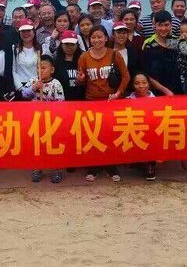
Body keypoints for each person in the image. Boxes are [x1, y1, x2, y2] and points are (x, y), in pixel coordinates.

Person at [76, 26, 130, 182]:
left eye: (100, 37)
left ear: (106, 38)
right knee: (93, 135)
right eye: (93, 37)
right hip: (91, 101)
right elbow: (81, 81)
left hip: (110, 102)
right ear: (89, 39)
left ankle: (111, 166)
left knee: (110, 135)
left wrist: (118, 93)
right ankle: (93, 166)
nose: (97, 40)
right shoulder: (84, 57)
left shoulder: (114, 54)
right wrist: (80, 79)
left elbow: (126, 77)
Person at [21, 55, 65, 183]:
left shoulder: (56, 84)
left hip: (52, 121)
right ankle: (37, 168)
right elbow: (24, 94)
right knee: (37, 145)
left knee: (54, 145)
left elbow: (61, 104)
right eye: (38, 68)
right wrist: (34, 88)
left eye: (44, 68)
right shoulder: (33, 81)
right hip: (36, 121)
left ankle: (57, 169)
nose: (40, 70)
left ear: (52, 70)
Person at [141, 11, 182, 96]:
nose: (163, 28)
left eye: (166, 25)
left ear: (171, 25)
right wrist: (165, 91)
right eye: (160, 25)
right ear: (155, 26)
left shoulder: (175, 41)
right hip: (158, 92)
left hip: (178, 89)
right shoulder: (149, 45)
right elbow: (147, 74)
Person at [54, 30, 85, 100]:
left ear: (77, 45)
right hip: (62, 101)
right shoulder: (55, 62)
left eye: (73, 44)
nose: (70, 47)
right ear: (61, 44)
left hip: (81, 101)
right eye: (67, 44)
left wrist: (82, 81)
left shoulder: (83, 60)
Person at [13, 18, 41, 96]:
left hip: (37, 86)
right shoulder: (14, 49)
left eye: (28, 30)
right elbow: (13, 71)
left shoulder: (41, 48)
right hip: (20, 87)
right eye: (23, 31)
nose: (26, 33)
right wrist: (21, 88)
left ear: (34, 31)